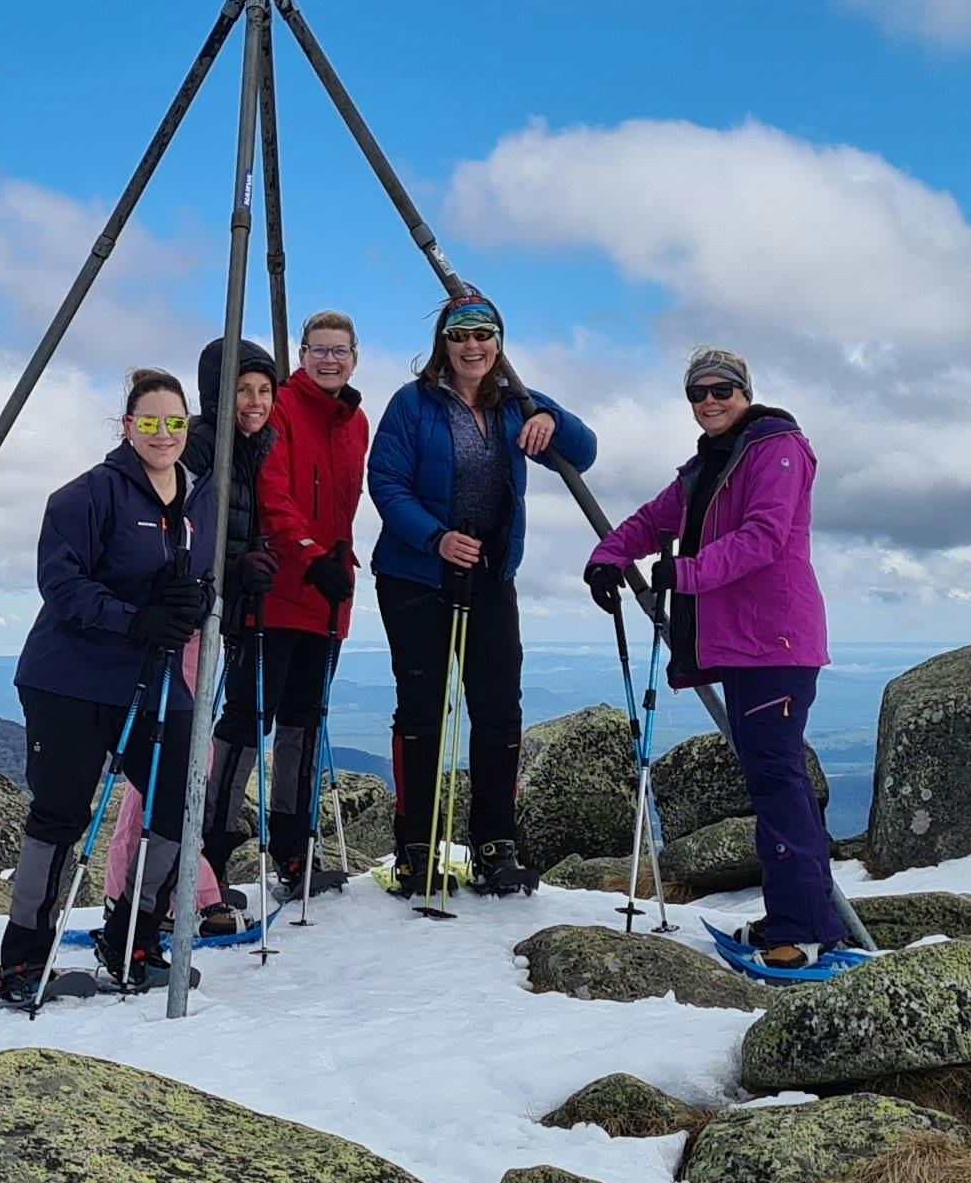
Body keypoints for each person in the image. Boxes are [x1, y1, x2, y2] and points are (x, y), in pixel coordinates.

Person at [585, 347, 852, 971]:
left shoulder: (777, 450)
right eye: (698, 393)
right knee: (770, 782)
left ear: (745, 392)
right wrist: (607, 557)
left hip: (775, 642)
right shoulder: (710, 465)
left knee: (779, 784)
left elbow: (763, 537)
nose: (709, 401)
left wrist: (684, 572)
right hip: (743, 645)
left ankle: (807, 932)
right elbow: (654, 520)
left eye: (722, 390)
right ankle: (798, 916)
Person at [365, 289, 596, 898]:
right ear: (444, 343)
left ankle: (496, 845)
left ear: (498, 342)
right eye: (462, 334)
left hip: (492, 574)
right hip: (416, 574)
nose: (473, 345)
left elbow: (586, 452)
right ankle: (415, 847)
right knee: (422, 710)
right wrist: (435, 538)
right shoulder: (411, 405)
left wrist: (554, 419)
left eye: (484, 334)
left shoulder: (517, 404)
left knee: (499, 709)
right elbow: (385, 482)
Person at [2, 369, 215, 1004]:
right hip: (69, 679)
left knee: (180, 804)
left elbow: (197, 582)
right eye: (149, 421)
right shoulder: (85, 496)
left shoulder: (198, 498)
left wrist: (202, 597)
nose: (162, 433)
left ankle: (134, 938)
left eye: (174, 422)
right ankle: (23, 963)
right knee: (60, 816)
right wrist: (136, 619)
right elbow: (62, 587)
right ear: (127, 426)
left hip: (152, 681)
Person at [249, 311, 372, 897]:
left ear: (354, 357)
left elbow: (345, 503)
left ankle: (294, 853)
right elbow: (272, 497)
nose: (330, 360)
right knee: (247, 725)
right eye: (319, 350)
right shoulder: (281, 409)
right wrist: (310, 555)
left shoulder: (357, 422)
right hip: (278, 593)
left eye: (339, 351)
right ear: (301, 355)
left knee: (305, 723)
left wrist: (334, 565)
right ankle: (212, 857)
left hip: (327, 599)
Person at [184, 335, 281, 935]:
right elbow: (186, 529)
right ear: (216, 394)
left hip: (221, 613)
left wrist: (252, 558)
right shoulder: (200, 445)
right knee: (177, 755)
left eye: (264, 390)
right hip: (190, 620)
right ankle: (180, 891)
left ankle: (163, 887)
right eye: (242, 389)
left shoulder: (253, 447)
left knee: (186, 750)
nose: (254, 401)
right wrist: (231, 567)